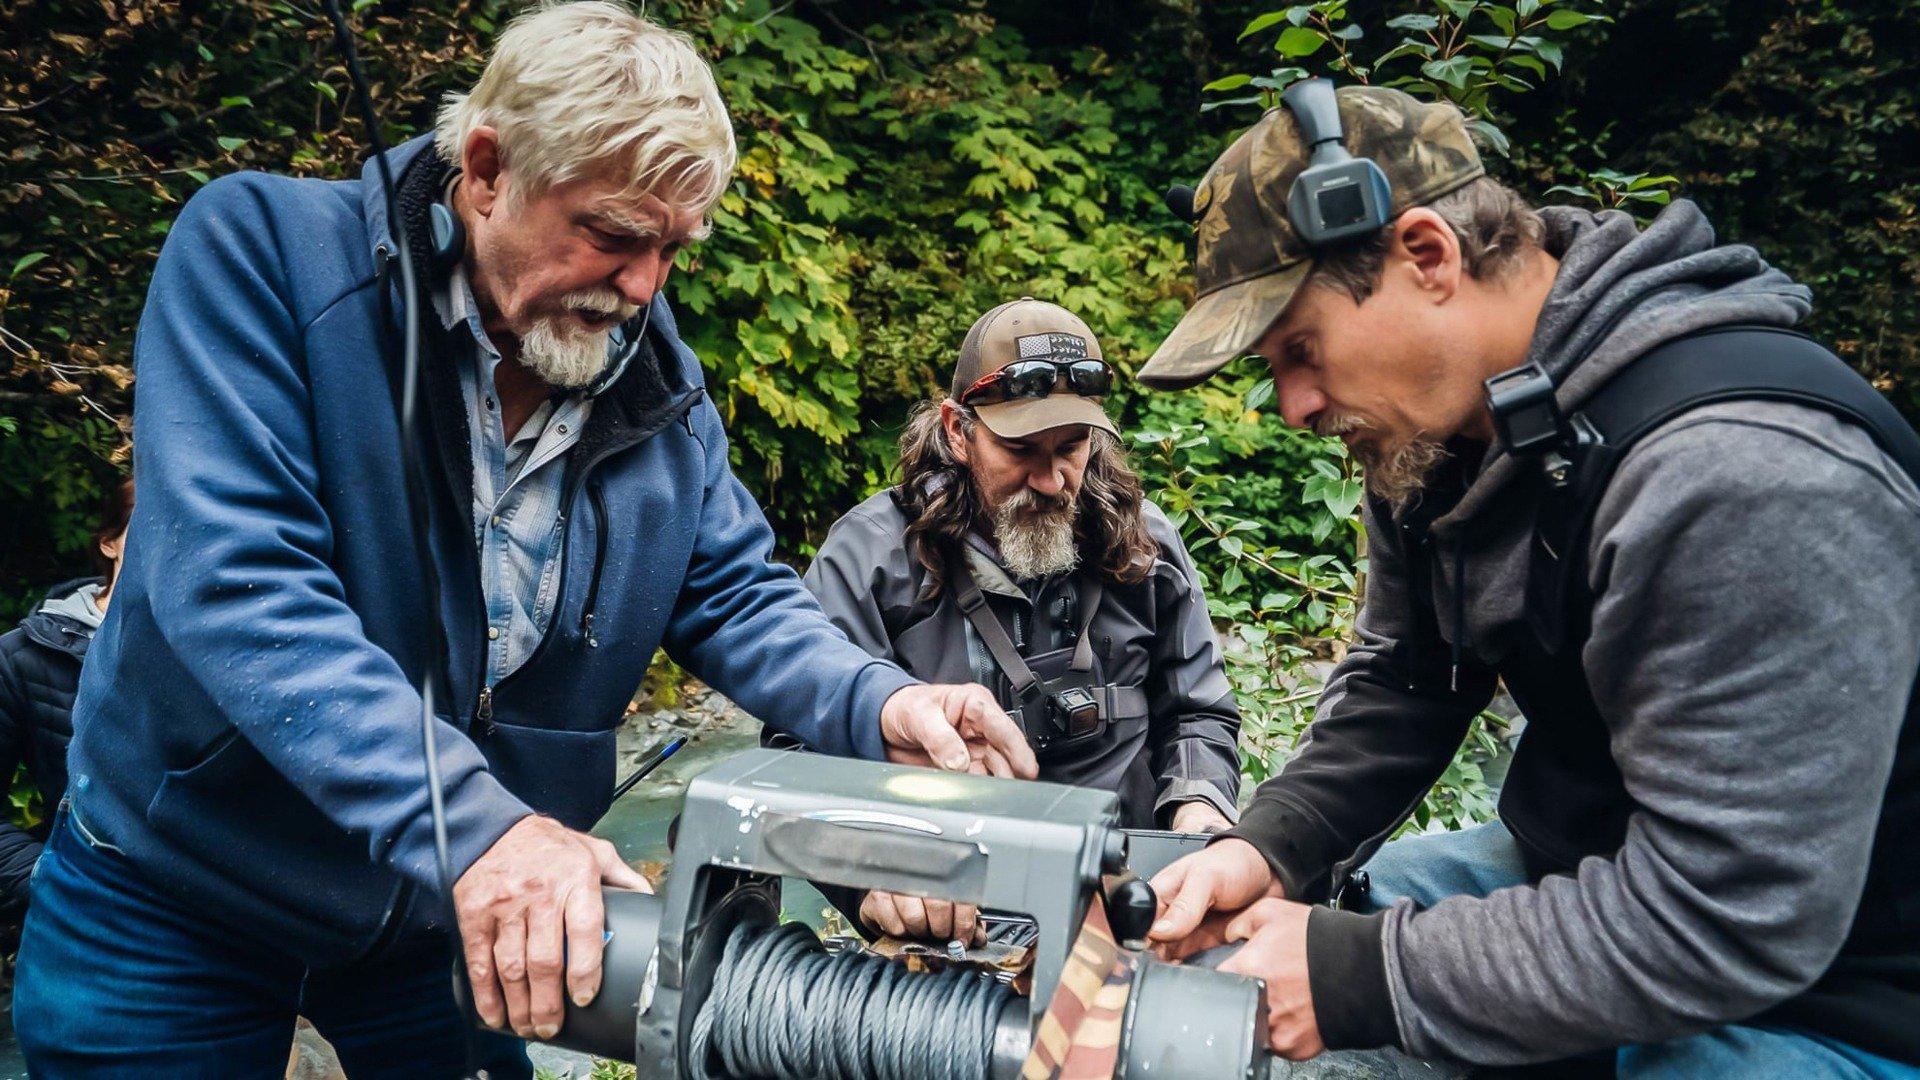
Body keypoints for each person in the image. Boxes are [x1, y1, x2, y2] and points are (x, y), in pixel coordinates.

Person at [11, 5, 1034, 1076]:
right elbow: (239, 586)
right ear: (488, 170)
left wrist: (878, 699)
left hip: (439, 913)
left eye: (674, 249)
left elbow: (731, 587)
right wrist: (477, 828)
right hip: (188, 889)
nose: (645, 288)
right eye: (614, 235)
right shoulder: (262, 257)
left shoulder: (648, 368)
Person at [1137, 80, 1920, 1076]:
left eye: (1301, 349)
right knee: (1294, 943)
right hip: (1590, 864)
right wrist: (1267, 846)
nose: (1293, 405)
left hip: (1839, 992)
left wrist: (1365, 979)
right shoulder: (1433, 437)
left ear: (1428, 257)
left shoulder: (1741, 478)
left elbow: (1729, 918)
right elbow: (1405, 681)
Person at [796, 299, 1241, 943]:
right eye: (1020, 449)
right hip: (950, 916)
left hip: (1133, 906)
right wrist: (870, 873)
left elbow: (1199, 711)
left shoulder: (1147, 547)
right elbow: (798, 750)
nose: (1052, 479)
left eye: (1072, 447)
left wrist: (1198, 813)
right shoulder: (868, 558)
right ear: (957, 430)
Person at [0, 478, 133, 916]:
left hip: (226, 938)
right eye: (151, 524)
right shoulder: (25, 656)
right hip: (88, 930)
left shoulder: (233, 651)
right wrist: (54, 886)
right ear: (109, 543)